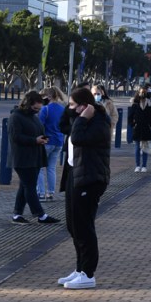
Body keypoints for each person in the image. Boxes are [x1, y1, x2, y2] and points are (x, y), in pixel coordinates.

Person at [57, 87, 111, 290]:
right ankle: (80, 269)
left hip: (90, 178)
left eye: (73, 105)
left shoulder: (99, 122)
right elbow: (61, 125)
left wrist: (82, 117)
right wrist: (71, 108)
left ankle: (88, 273)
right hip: (74, 174)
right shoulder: (78, 119)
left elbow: (77, 138)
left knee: (84, 226)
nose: (70, 109)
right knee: (72, 225)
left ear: (85, 106)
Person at [8, 91, 59, 225]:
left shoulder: (32, 116)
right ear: (27, 104)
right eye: (35, 108)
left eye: (39, 109)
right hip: (23, 157)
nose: (37, 111)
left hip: (34, 155)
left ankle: (17, 214)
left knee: (24, 186)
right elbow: (15, 137)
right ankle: (40, 215)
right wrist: (34, 140)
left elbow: (37, 130)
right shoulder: (16, 116)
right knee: (30, 186)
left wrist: (41, 139)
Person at [38, 87, 66, 201]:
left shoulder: (45, 109)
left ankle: (41, 192)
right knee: (51, 168)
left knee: (39, 168)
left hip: (47, 141)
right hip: (58, 141)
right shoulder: (62, 109)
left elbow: (40, 125)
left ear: (48, 96)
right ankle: (50, 192)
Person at [128, 90, 151, 172]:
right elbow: (130, 116)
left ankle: (144, 165)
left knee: (145, 148)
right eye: (141, 92)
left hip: (147, 128)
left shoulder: (150, 104)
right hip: (137, 128)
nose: (142, 94)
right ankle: (137, 165)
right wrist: (133, 125)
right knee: (137, 148)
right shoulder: (135, 104)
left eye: (144, 92)